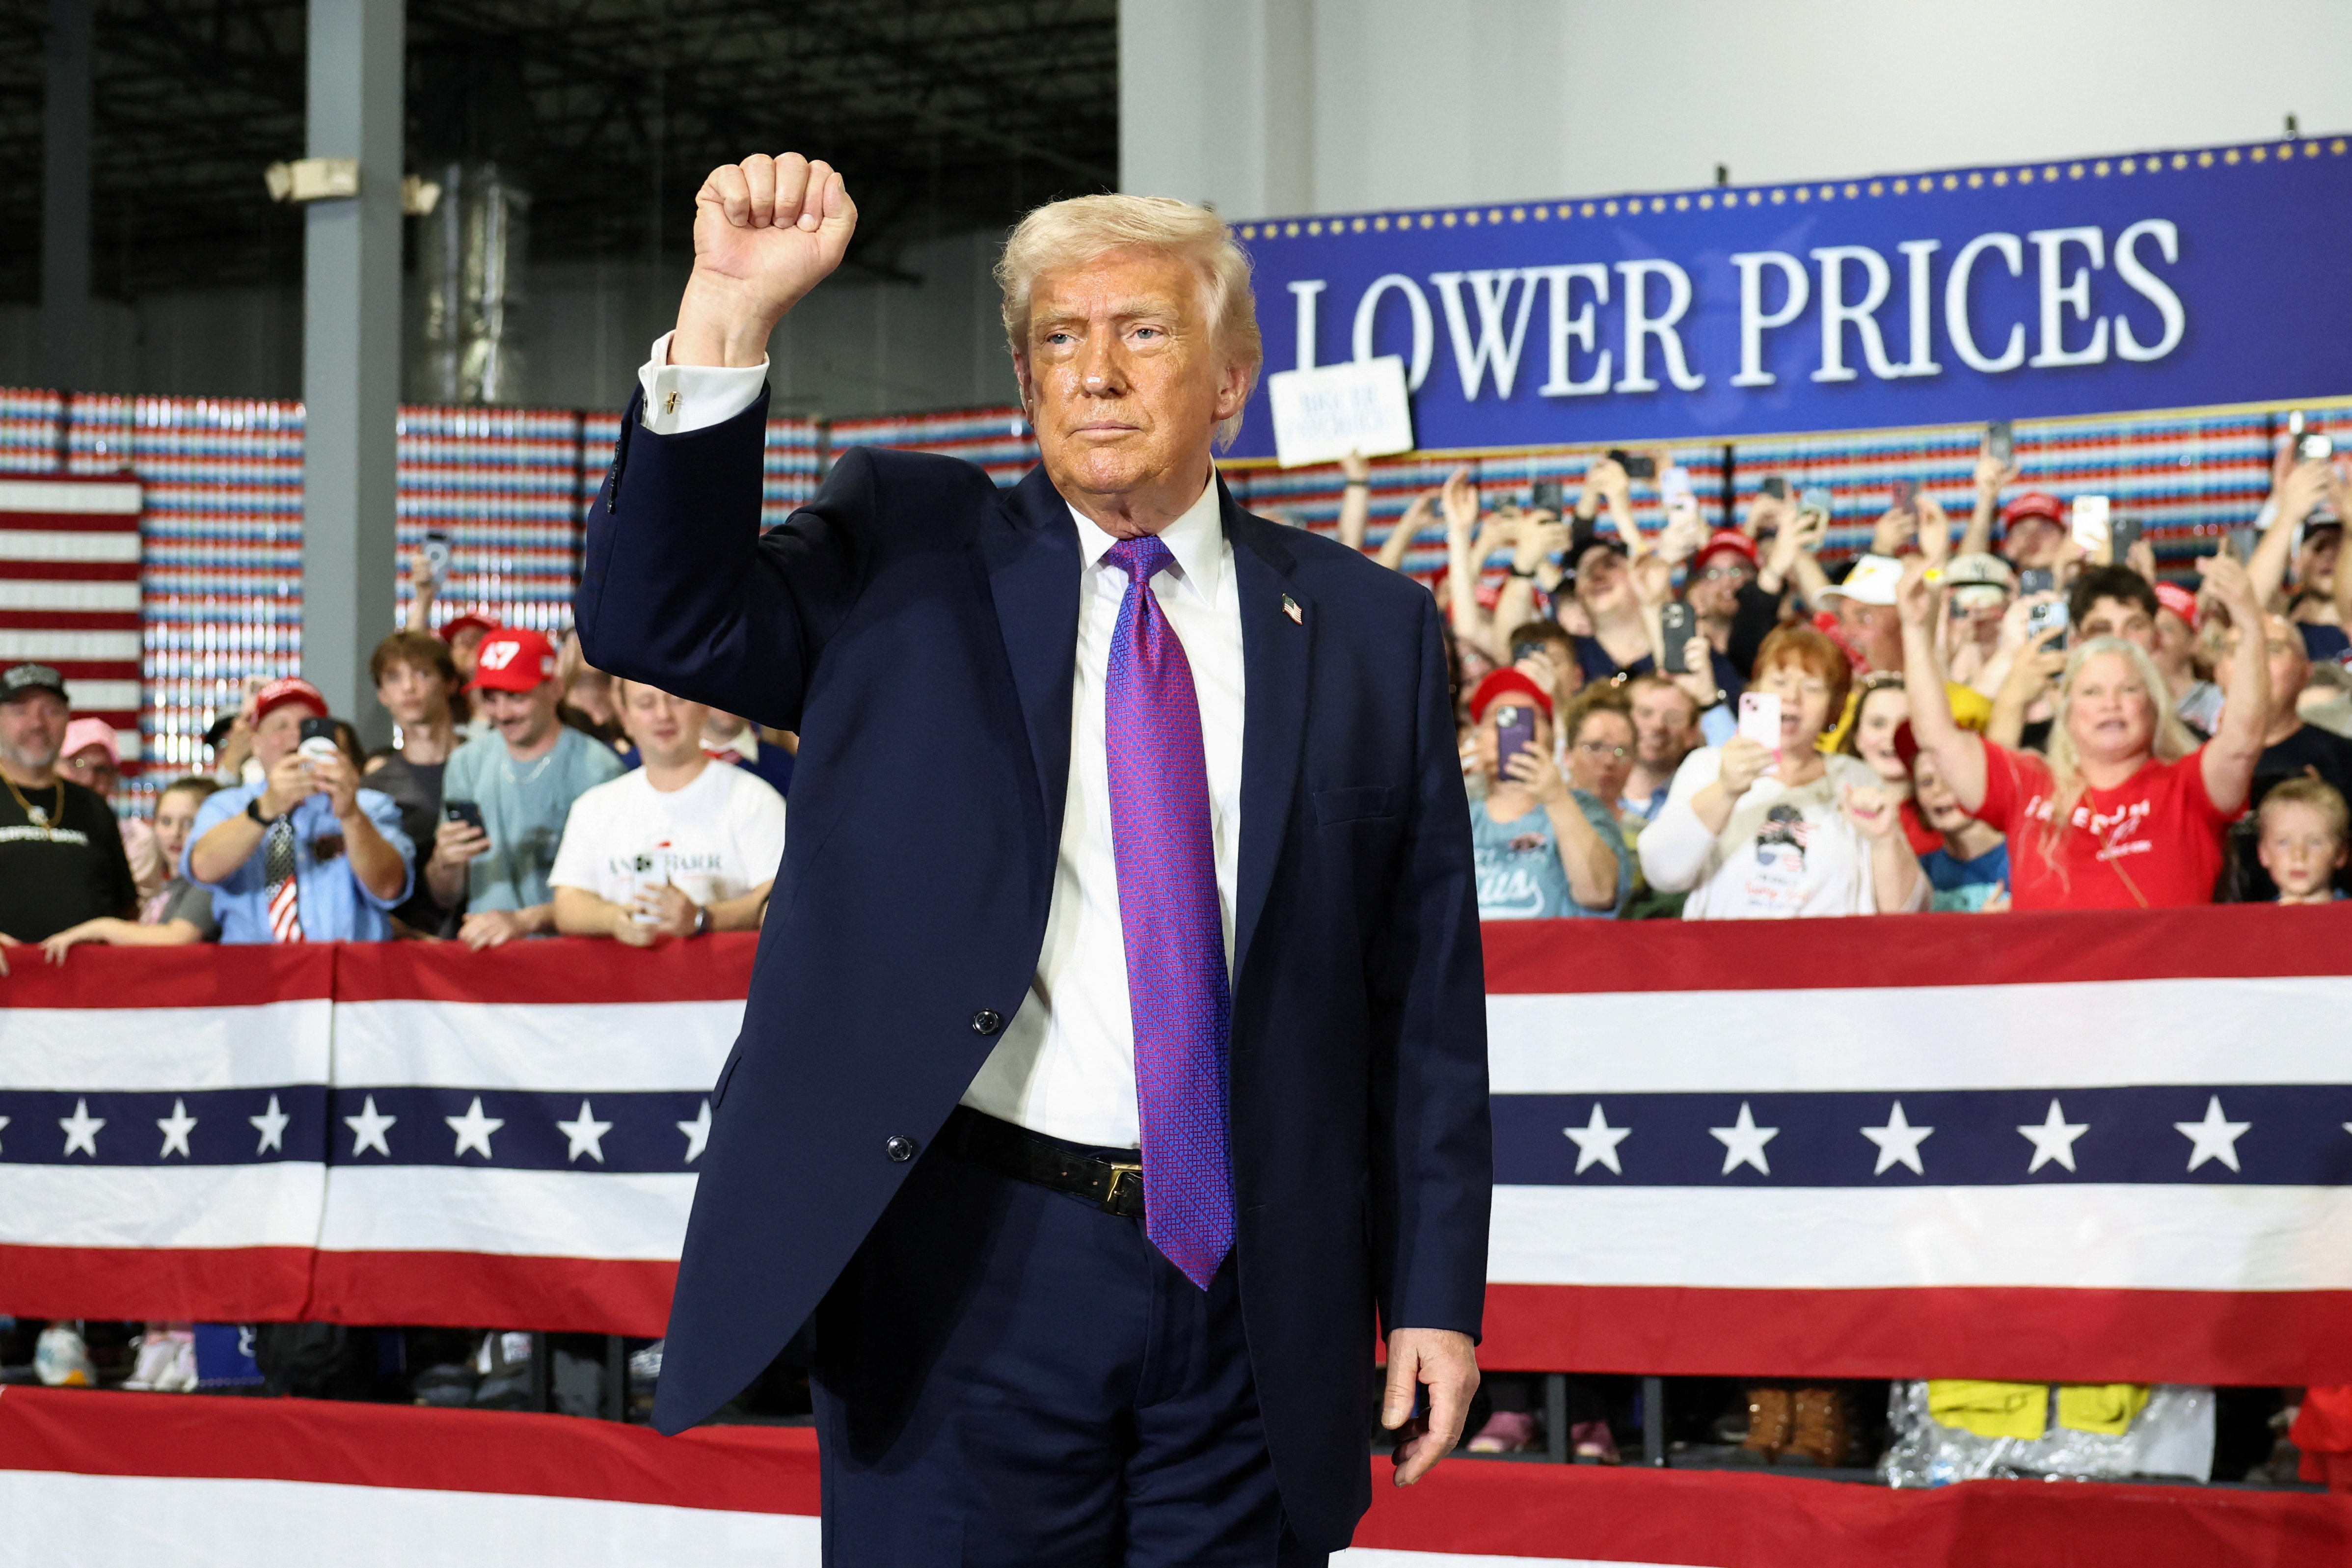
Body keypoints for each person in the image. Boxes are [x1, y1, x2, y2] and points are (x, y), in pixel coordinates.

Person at [575, 155, 1488, 1563]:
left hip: (1257, 1295)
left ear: (1229, 381)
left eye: (1142, 332)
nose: (1095, 373)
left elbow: (1421, 1000)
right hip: (964, 1275)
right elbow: (659, 622)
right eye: (1058, 338)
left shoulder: (1368, 627)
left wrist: (1432, 1294)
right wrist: (725, 322)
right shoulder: (903, 547)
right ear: (1023, 380)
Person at [1896, 552, 2270, 911]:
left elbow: (2243, 741)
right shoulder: (2027, 784)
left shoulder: (2188, 788)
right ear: (2067, 710)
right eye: (2092, 692)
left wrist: (2251, 626)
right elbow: (1937, 740)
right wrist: (1914, 630)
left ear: (2153, 706)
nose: (2111, 704)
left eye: (2128, 690)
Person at [1639, 626, 1925, 919]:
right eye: (1779, 682)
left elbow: (1908, 911)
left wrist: (1884, 840)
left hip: (1829, 947)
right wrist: (1725, 790)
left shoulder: (1858, 779)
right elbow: (1663, 874)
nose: (1792, 697)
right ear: (1755, 692)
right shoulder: (1708, 766)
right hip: (1725, 947)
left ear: (1833, 708)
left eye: (1812, 688)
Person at [430, 627, 625, 950]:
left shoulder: (598, 769)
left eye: (516, 696)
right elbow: (446, 895)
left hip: (571, 957)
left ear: (555, 690)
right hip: (486, 953)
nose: (502, 713)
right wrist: (445, 863)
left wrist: (525, 920)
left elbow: (616, 891)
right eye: (491, 698)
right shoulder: (466, 763)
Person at [550, 679, 786, 943]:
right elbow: (567, 904)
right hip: (624, 970)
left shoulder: (753, 799)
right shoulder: (594, 808)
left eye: (677, 700)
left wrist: (703, 918)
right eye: (646, 704)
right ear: (625, 718)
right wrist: (613, 919)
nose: (663, 715)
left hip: (727, 969)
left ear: (703, 709)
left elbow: (781, 898)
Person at [184, 678, 413, 943]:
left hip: (345, 964)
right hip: (254, 966)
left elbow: (389, 887)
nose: (295, 738)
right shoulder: (227, 806)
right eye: (280, 726)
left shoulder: (368, 805)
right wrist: (265, 809)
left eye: (307, 727)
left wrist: (351, 816)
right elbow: (203, 869)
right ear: (256, 744)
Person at [0, 663, 139, 963]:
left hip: (87, 984)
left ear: (67, 720)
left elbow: (127, 909)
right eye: (21, 711)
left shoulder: (94, 807)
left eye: (51, 711)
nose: (38, 723)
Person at [1463, 671, 1627, 920]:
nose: (1511, 732)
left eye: (1526, 719)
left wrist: (1556, 797)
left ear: (1551, 739)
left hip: (1554, 945)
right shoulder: (1457, 814)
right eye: (1500, 719)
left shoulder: (1584, 808)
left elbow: (1600, 894)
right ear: (1477, 739)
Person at [39, 776, 224, 958]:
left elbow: (178, 938)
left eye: (190, 823)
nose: (175, 833)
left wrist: (102, 928)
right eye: (166, 821)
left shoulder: (206, 884)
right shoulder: (171, 887)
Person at [367, 631, 468, 937]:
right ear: (382, 694)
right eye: (394, 678)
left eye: (422, 674)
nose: (409, 688)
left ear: (450, 683)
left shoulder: (490, 766)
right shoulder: (372, 791)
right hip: (411, 948)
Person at [58, 717, 164, 900]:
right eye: (77, 764)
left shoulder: (135, 839)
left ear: (114, 778)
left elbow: (127, 910)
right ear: (52, 768)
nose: (88, 780)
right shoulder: (26, 830)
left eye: (101, 770)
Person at [1909, 751, 2012, 913]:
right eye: (1927, 782)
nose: (1937, 789)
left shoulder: (2028, 858)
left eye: (1950, 776)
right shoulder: (1918, 874)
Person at [1619, 674, 1701, 827]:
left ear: (1693, 733)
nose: (1658, 725)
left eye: (1673, 718)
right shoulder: (1592, 792)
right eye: (1646, 713)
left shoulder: (1700, 801)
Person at [2255, 776, 2349, 904]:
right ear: (2264, 852)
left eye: (2315, 842)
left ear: (2340, 853)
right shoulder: (2254, 916)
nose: (2298, 855)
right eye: (2283, 842)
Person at [2153, 582, 2224, 738]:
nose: (2155, 637)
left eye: (2167, 628)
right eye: (2148, 628)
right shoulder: (2133, 703)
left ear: (2195, 642)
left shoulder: (2218, 703)